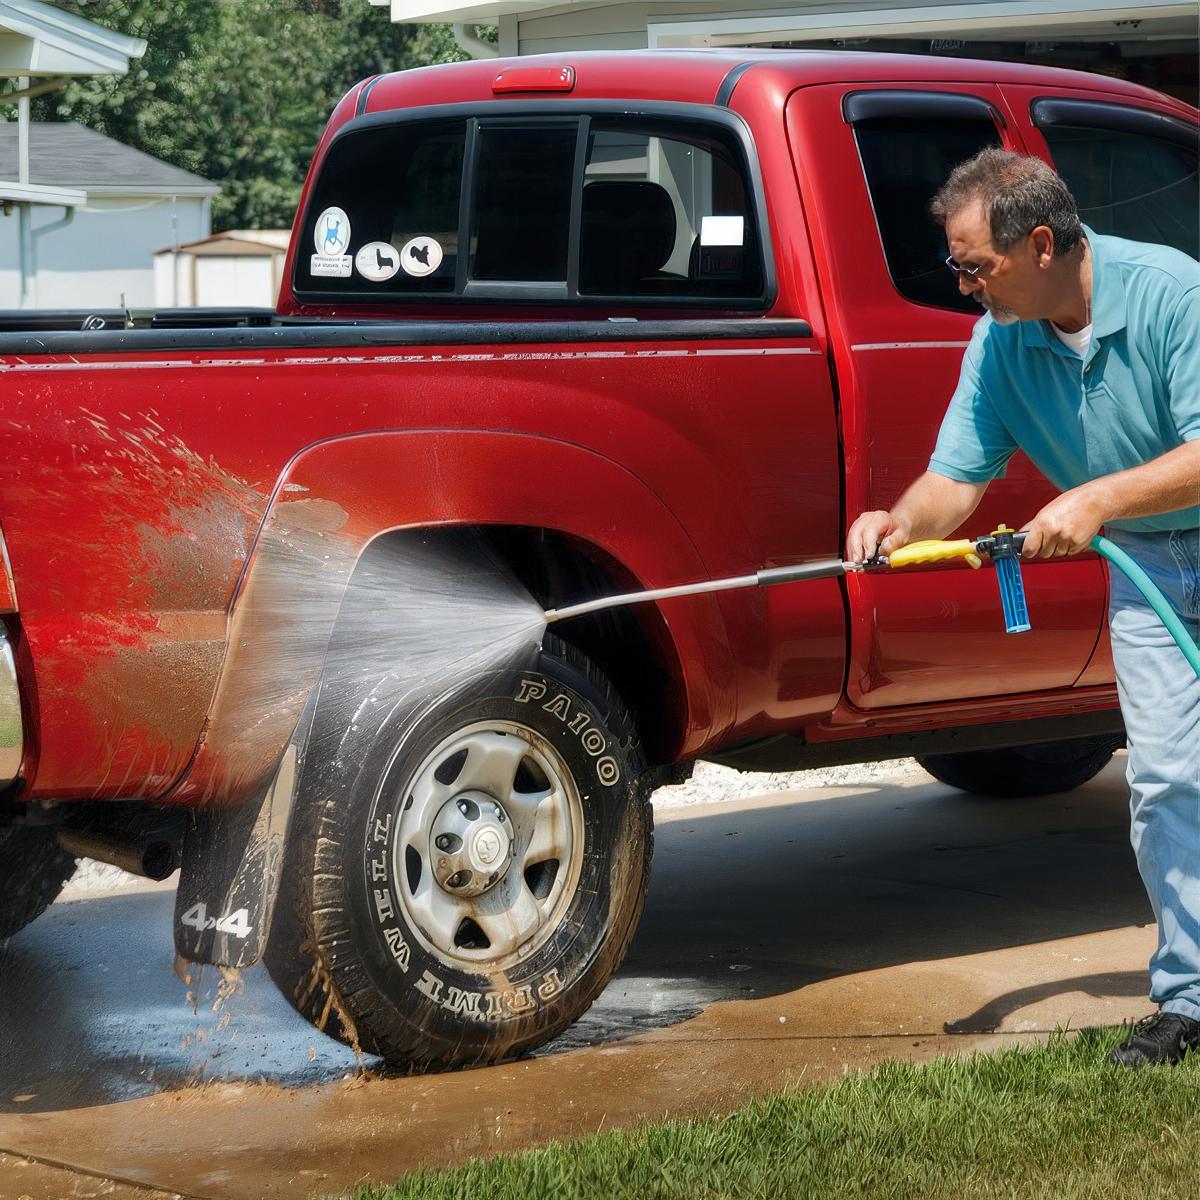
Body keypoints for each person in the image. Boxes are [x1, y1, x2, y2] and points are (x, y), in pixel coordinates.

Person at [846, 148, 1200, 1067]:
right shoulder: (1001, 343)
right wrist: (898, 521)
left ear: (1040, 244)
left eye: (974, 266)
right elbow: (954, 481)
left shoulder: (1173, 294)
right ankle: (1191, 1000)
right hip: (1152, 566)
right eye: (956, 266)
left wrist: (1092, 501)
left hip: (1142, 533)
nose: (963, 286)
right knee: (1164, 782)